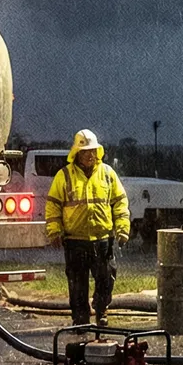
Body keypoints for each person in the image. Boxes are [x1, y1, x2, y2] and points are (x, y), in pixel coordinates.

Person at [44, 129, 131, 326]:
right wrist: (55, 232)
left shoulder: (108, 174)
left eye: (93, 150)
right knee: (77, 284)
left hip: (102, 239)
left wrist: (123, 229)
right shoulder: (64, 176)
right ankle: (80, 319)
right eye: (85, 151)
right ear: (76, 153)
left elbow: (120, 202)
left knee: (106, 280)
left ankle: (101, 312)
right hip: (75, 241)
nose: (90, 155)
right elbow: (53, 206)